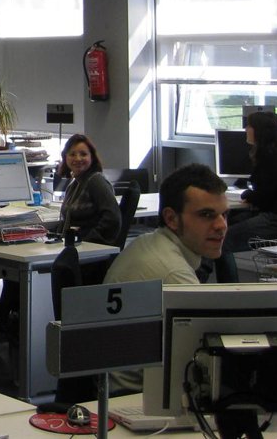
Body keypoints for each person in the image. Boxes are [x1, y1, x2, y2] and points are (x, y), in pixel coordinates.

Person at [104, 163, 229, 391]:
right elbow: (211, 361)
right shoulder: (174, 275)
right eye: (206, 215)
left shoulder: (149, 242)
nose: (221, 226)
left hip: (119, 388)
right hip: (134, 397)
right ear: (171, 218)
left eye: (224, 215)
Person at [216, 111, 277, 282]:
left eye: (249, 126)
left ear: (260, 131)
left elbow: (263, 196)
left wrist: (248, 194)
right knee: (230, 221)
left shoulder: (273, 158)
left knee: (222, 240)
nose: (246, 130)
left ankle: (229, 289)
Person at [55, 133, 121, 244]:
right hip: (74, 244)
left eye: (83, 154)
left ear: (92, 157)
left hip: (91, 247)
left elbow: (113, 218)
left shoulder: (96, 181)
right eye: (72, 154)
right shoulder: (74, 185)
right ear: (65, 157)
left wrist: (86, 241)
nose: (78, 158)